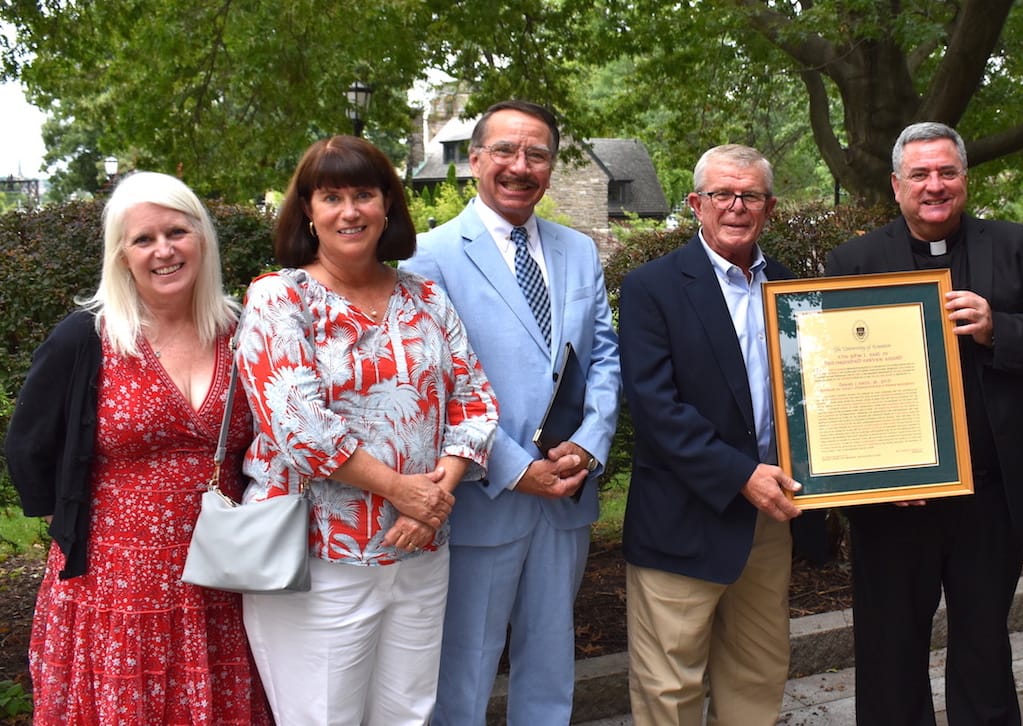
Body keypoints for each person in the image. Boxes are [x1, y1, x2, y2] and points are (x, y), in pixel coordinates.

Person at [825, 122, 1023, 725]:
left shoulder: (1022, 247)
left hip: (990, 497)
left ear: (965, 179)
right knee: (889, 655)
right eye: (920, 175)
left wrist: (1000, 328)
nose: (934, 186)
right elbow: (829, 381)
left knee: (985, 650)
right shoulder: (854, 260)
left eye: (947, 172)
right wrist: (873, 473)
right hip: (893, 501)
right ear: (896, 185)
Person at [236, 135, 499, 723]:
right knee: (323, 715)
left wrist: (432, 498)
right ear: (308, 209)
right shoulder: (280, 298)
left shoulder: (425, 297)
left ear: (387, 205)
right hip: (319, 554)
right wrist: (402, 491)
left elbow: (475, 401)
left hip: (421, 548)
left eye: (364, 194)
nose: (349, 211)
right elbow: (300, 426)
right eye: (331, 196)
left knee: (408, 711)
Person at [4, 171, 272, 724]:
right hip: (115, 589)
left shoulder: (246, 331)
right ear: (121, 255)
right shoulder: (89, 337)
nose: (163, 250)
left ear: (203, 237)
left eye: (177, 231)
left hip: (226, 579)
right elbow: (27, 444)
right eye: (143, 239)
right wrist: (81, 522)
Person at [402, 99, 621, 726]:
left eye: (537, 154)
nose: (520, 166)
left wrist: (590, 442)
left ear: (551, 166)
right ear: (474, 160)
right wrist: (515, 466)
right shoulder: (429, 255)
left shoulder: (578, 250)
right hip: (483, 497)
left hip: (568, 495)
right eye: (505, 151)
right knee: (464, 670)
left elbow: (603, 355)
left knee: (551, 665)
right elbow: (432, 383)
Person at [618, 144, 805, 726]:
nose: (736, 206)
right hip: (683, 515)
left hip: (770, 517)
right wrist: (740, 474)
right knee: (669, 686)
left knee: (757, 672)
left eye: (750, 195)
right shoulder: (653, 287)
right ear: (697, 203)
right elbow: (655, 408)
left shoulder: (798, 291)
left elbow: (816, 395)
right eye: (722, 194)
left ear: (769, 208)